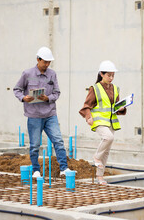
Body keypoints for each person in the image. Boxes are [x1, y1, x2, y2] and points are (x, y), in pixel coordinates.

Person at [13, 46, 70, 178]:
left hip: (50, 114)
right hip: (34, 116)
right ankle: (36, 171)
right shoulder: (27, 74)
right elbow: (17, 89)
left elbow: (57, 92)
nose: (47, 64)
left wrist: (48, 98)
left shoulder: (52, 74)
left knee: (58, 141)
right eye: (45, 62)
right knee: (34, 145)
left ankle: (64, 168)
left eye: (49, 62)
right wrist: (23, 98)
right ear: (38, 59)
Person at [79, 60, 127, 185]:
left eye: (113, 75)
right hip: (99, 121)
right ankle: (96, 157)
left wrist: (121, 108)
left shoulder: (115, 88)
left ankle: (99, 177)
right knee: (108, 138)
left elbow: (115, 107)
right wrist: (88, 117)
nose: (111, 78)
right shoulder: (94, 88)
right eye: (108, 75)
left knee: (106, 151)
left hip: (111, 122)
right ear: (101, 74)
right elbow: (86, 105)